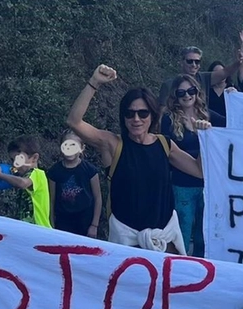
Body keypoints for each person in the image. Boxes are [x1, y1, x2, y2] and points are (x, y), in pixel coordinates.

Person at [68, 66, 203, 254]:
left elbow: (199, 170)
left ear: (152, 115)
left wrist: (206, 138)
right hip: (127, 244)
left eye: (143, 113)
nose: (136, 119)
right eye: (130, 113)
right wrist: (95, 82)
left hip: (166, 241)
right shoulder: (113, 145)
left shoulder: (165, 145)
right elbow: (74, 121)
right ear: (123, 117)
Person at [160, 74, 218, 257]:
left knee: (204, 234)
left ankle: (202, 269)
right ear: (175, 96)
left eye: (191, 91)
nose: (187, 95)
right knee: (182, 232)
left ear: (197, 92)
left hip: (207, 185)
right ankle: (179, 270)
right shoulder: (168, 119)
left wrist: (233, 95)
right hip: (182, 184)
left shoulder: (207, 115)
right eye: (181, 92)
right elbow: (167, 150)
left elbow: (233, 122)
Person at [0, 136, 51, 225]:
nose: (14, 164)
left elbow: (22, 183)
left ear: (34, 158)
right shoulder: (21, 174)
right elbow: (11, 171)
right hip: (28, 229)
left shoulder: (38, 174)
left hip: (40, 229)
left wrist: (0, 174)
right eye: (12, 160)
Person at [47, 132, 102, 237]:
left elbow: (98, 197)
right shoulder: (54, 171)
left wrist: (94, 225)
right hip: (63, 221)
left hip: (85, 220)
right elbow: (51, 200)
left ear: (82, 148)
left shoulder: (90, 170)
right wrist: (51, 223)